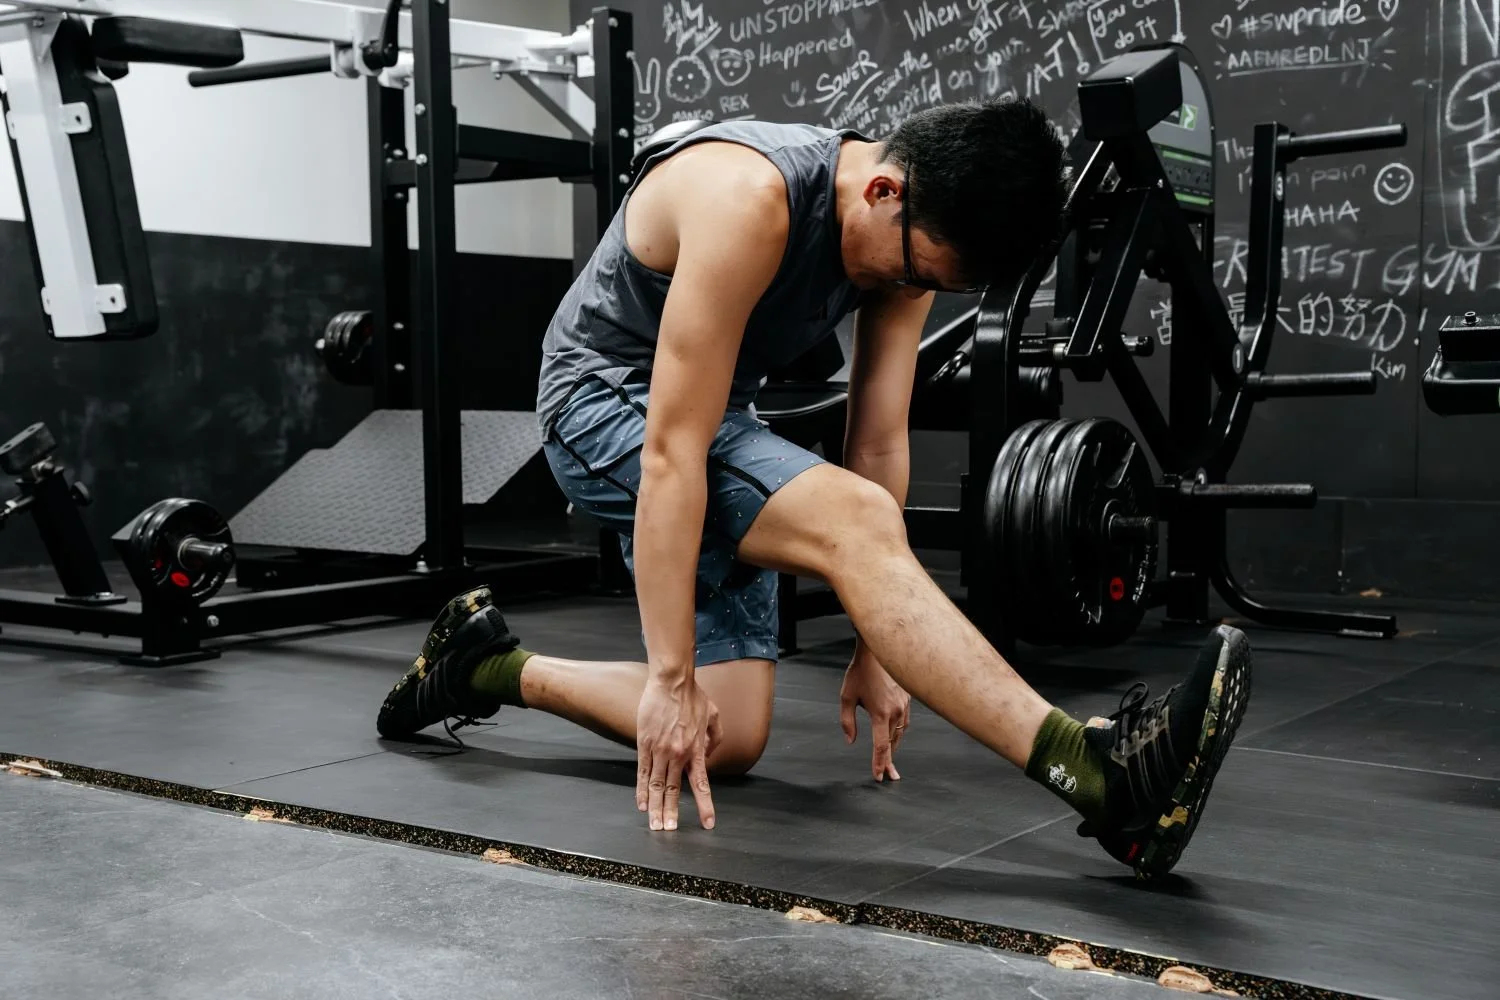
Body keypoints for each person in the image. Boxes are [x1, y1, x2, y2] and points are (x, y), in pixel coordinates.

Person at [374, 100, 1253, 879]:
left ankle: (479, 664)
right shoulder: (746, 196)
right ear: (884, 191)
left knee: (734, 737)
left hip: (718, 420)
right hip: (600, 405)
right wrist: (668, 674)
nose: (908, 292)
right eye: (915, 275)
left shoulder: (909, 237)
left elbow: (876, 440)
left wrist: (882, 637)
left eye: (931, 286)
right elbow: (673, 454)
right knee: (829, 539)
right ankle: (1095, 773)